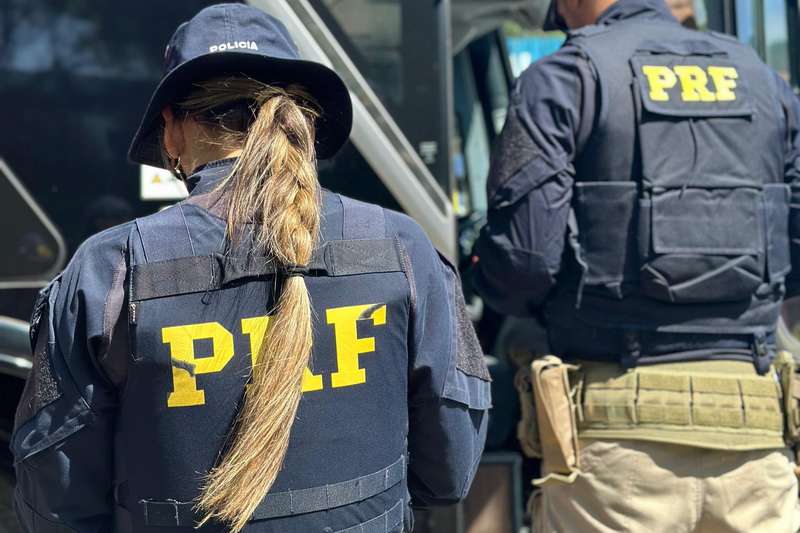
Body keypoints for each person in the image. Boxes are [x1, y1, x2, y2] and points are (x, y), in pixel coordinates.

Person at [12, 4, 490, 532]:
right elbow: (448, 472)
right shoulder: (403, 249)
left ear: (170, 131)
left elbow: (57, 500)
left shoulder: (109, 272)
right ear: (304, 121)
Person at [473, 0, 800, 531]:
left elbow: (523, 263)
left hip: (615, 456)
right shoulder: (762, 78)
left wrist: (485, 275)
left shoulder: (563, 78)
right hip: (756, 447)